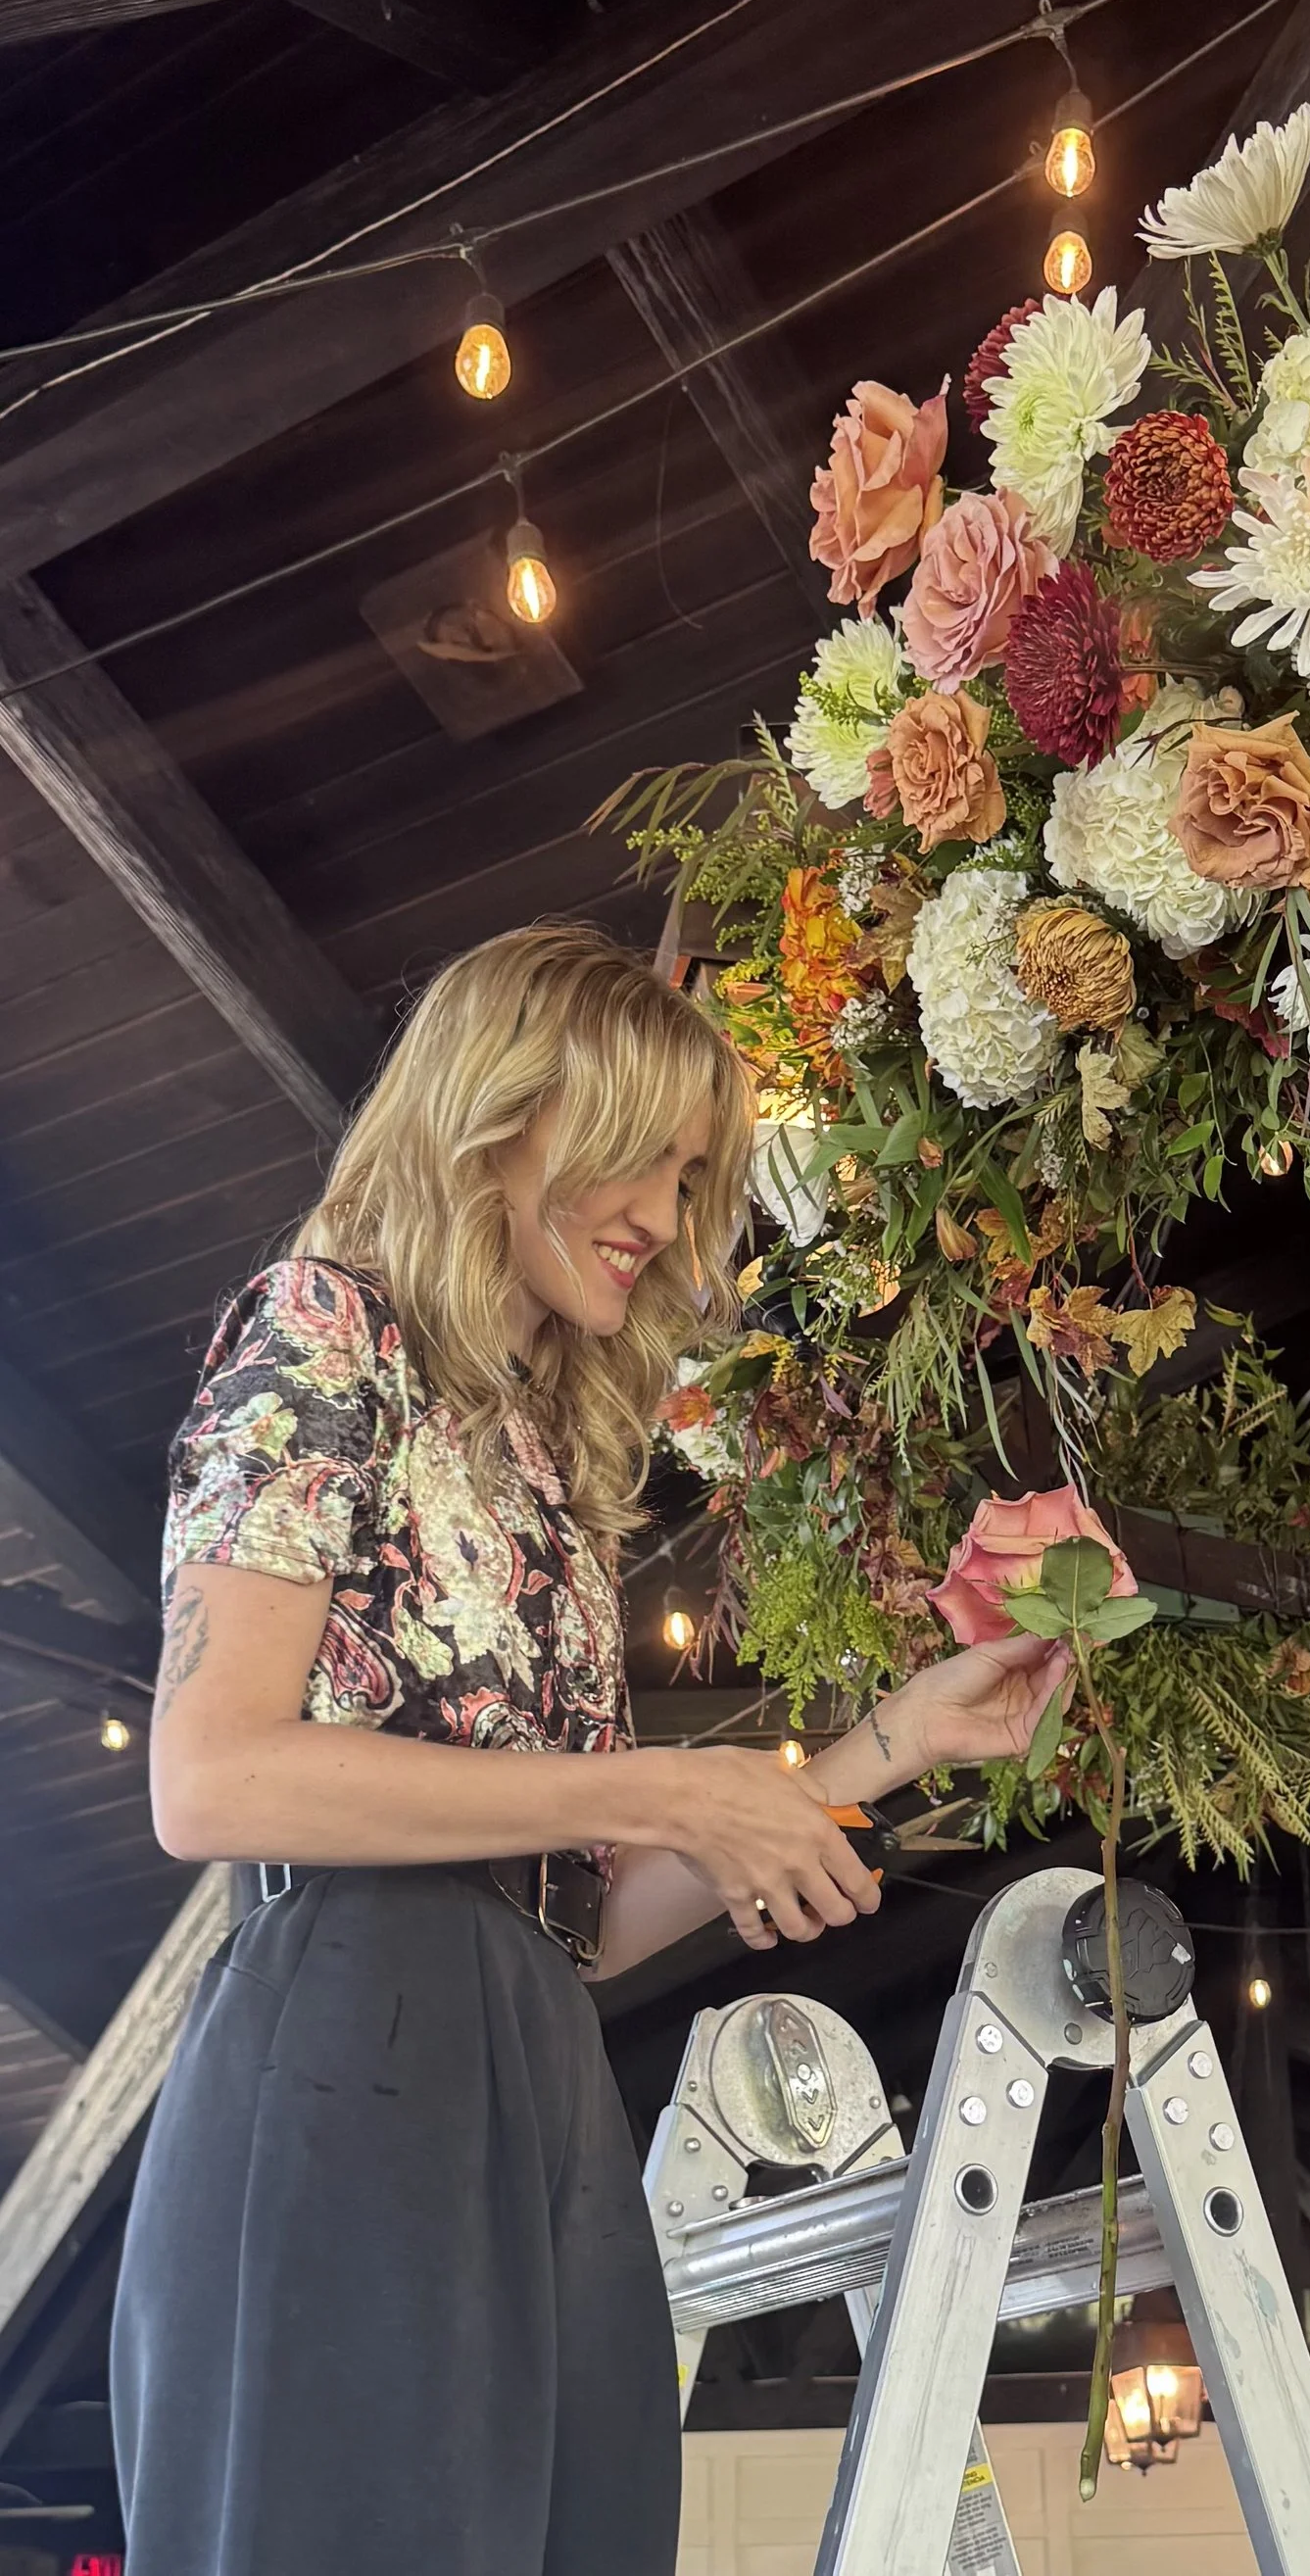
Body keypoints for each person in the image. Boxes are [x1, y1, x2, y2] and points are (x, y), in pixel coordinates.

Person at [114, 923, 1067, 2576]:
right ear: (498, 1115)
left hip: (537, 2056)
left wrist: (895, 1738)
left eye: (695, 1178)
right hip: (350, 2045)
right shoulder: (317, 1331)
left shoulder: (542, 1459)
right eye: (643, 1157)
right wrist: (652, 1781)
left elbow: (589, 1909)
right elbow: (210, 1777)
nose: (667, 1218)